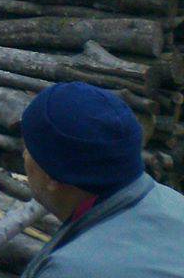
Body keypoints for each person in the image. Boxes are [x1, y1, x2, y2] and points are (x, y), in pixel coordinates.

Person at [19, 82, 184, 278]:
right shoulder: (175, 203)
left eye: (29, 147)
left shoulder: (70, 270)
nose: (24, 155)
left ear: (52, 177)